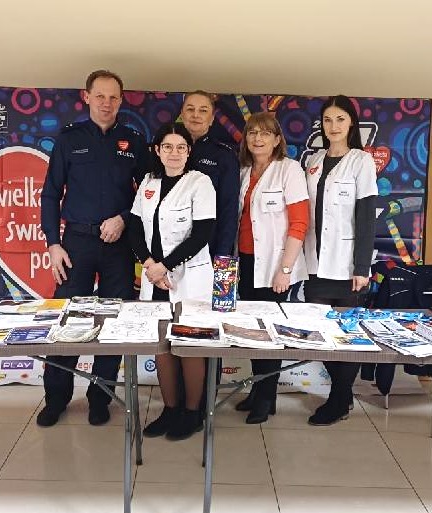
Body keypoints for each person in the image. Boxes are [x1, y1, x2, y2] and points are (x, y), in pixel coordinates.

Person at [38, 69, 149, 427]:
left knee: (113, 322)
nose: (106, 103)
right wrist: (53, 243)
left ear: (121, 100)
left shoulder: (134, 141)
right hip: (76, 244)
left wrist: (124, 218)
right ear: (86, 97)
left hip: (118, 245)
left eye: (113, 97)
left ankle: (100, 398)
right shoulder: (69, 139)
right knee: (68, 320)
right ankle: (56, 398)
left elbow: (150, 192)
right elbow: (51, 193)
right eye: (99, 95)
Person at [128, 123, 216, 440]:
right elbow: (135, 228)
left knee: (189, 345)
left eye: (181, 147)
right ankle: (170, 408)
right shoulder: (149, 182)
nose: (174, 153)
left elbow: (203, 233)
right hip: (155, 278)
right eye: (168, 146)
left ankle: (192, 413)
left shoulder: (200, 182)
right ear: (157, 150)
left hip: (189, 278)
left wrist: (165, 266)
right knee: (162, 346)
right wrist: (150, 266)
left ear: (189, 152)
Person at [304, 95, 378, 426]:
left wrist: (362, 267)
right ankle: (343, 394)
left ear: (351, 123)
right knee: (320, 332)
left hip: (347, 265)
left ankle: (338, 399)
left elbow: (366, 217)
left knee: (345, 337)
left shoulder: (361, 161)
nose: (333, 126)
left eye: (340, 119)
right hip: (315, 262)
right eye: (328, 120)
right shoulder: (314, 160)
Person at [235, 112, 310, 423]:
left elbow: (300, 222)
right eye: (252, 132)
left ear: (277, 139)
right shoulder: (243, 171)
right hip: (246, 262)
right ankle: (258, 390)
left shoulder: (289, 170)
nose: (258, 138)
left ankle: (267, 398)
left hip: (276, 265)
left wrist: (285, 269)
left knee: (270, 332)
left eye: (265, 133)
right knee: (253, 331)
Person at [180, 90, 239, 257]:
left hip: (208, 249)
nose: (196, 115)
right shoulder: (165, 151)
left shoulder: (224, 156)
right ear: (182, 115)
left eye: (203, 110)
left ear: (212, 118)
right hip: (168, 247)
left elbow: (229, 211)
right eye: (190, 109)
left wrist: (223, 257)